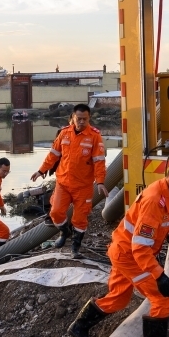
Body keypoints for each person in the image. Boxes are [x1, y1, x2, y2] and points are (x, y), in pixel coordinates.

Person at [67, 155, 169, 337]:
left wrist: (166, 236)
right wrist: (159, 275)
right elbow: (140, 247)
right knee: (163, 299)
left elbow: (152, 226)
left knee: (119, 298)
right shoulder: (155, 200)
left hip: (123, 250)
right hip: (130, 256)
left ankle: (79, 326)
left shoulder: (167, 193)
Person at [31, 104, 107, 257]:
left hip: (83, 186)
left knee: (80, 219)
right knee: (56, 212)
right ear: (73, 117)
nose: (81, 122)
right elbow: (53, 155)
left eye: (85, 119)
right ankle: (65, 233)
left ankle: (75, 248)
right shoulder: (64, 134)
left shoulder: (94, 137)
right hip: (63, 183)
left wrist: (100, 182)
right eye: (78, 119)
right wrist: (41, 170)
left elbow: (99, 162)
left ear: (89, 118)